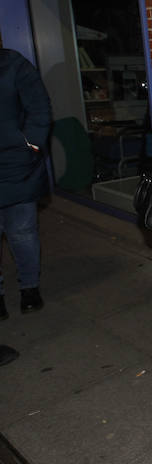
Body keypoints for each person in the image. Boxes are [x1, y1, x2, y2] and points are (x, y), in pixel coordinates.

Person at [0, 47, 52, 318]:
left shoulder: (12, 64)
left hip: (15, 164)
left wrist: (30, 144)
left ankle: (29, 287)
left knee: (22, 231)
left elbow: (39, 105)